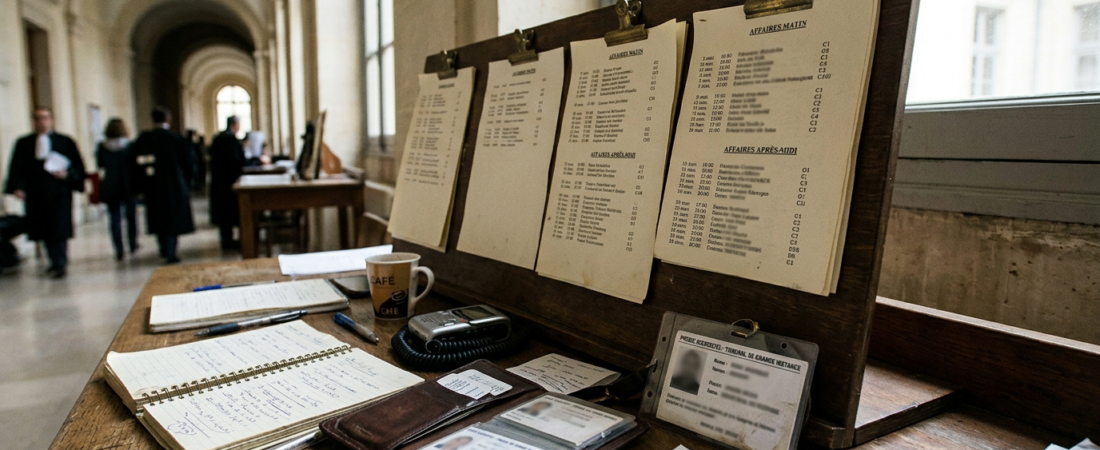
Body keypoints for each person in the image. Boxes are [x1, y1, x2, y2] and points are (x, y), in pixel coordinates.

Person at [3, 107, 87, 278]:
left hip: (59, 193)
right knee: (42, 228)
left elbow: (78, 166)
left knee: (59, 228)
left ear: (51, 120)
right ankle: (54, 261)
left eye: (45, 118)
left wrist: (66, 174)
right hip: (36, 194)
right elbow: (17, 167)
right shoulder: (24, 143)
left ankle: (60, 262)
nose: (42, 122)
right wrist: (18, 187)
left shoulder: (64, 141)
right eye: (38, 118)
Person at [129, 107, 195, 264]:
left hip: (153, 186)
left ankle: (164, 247)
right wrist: (188, 183)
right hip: (175, 185)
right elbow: (190, 162)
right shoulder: (176, 138)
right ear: (169, 120)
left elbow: (134, 164)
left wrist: (139, 186)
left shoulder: (145, 139)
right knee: (173, 219)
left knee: (158, 217)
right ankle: (171, 250)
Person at [96, 118, 140, 261]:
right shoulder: (130, 146)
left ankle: (119, 248)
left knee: (114, 218)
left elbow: (100, 164)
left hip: (111, 184)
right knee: (131, 216)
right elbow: (135, 165)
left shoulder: (102, 147)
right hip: (128, 184)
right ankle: (133, 243)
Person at [208, 116, 246, 249]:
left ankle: (226, 240)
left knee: (223, 214)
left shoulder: (218, 137)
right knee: (230, 212)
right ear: (235, 124)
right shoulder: (230, 139)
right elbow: (237, 160)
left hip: (219, 181)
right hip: (229, 181)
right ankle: (233, 241)